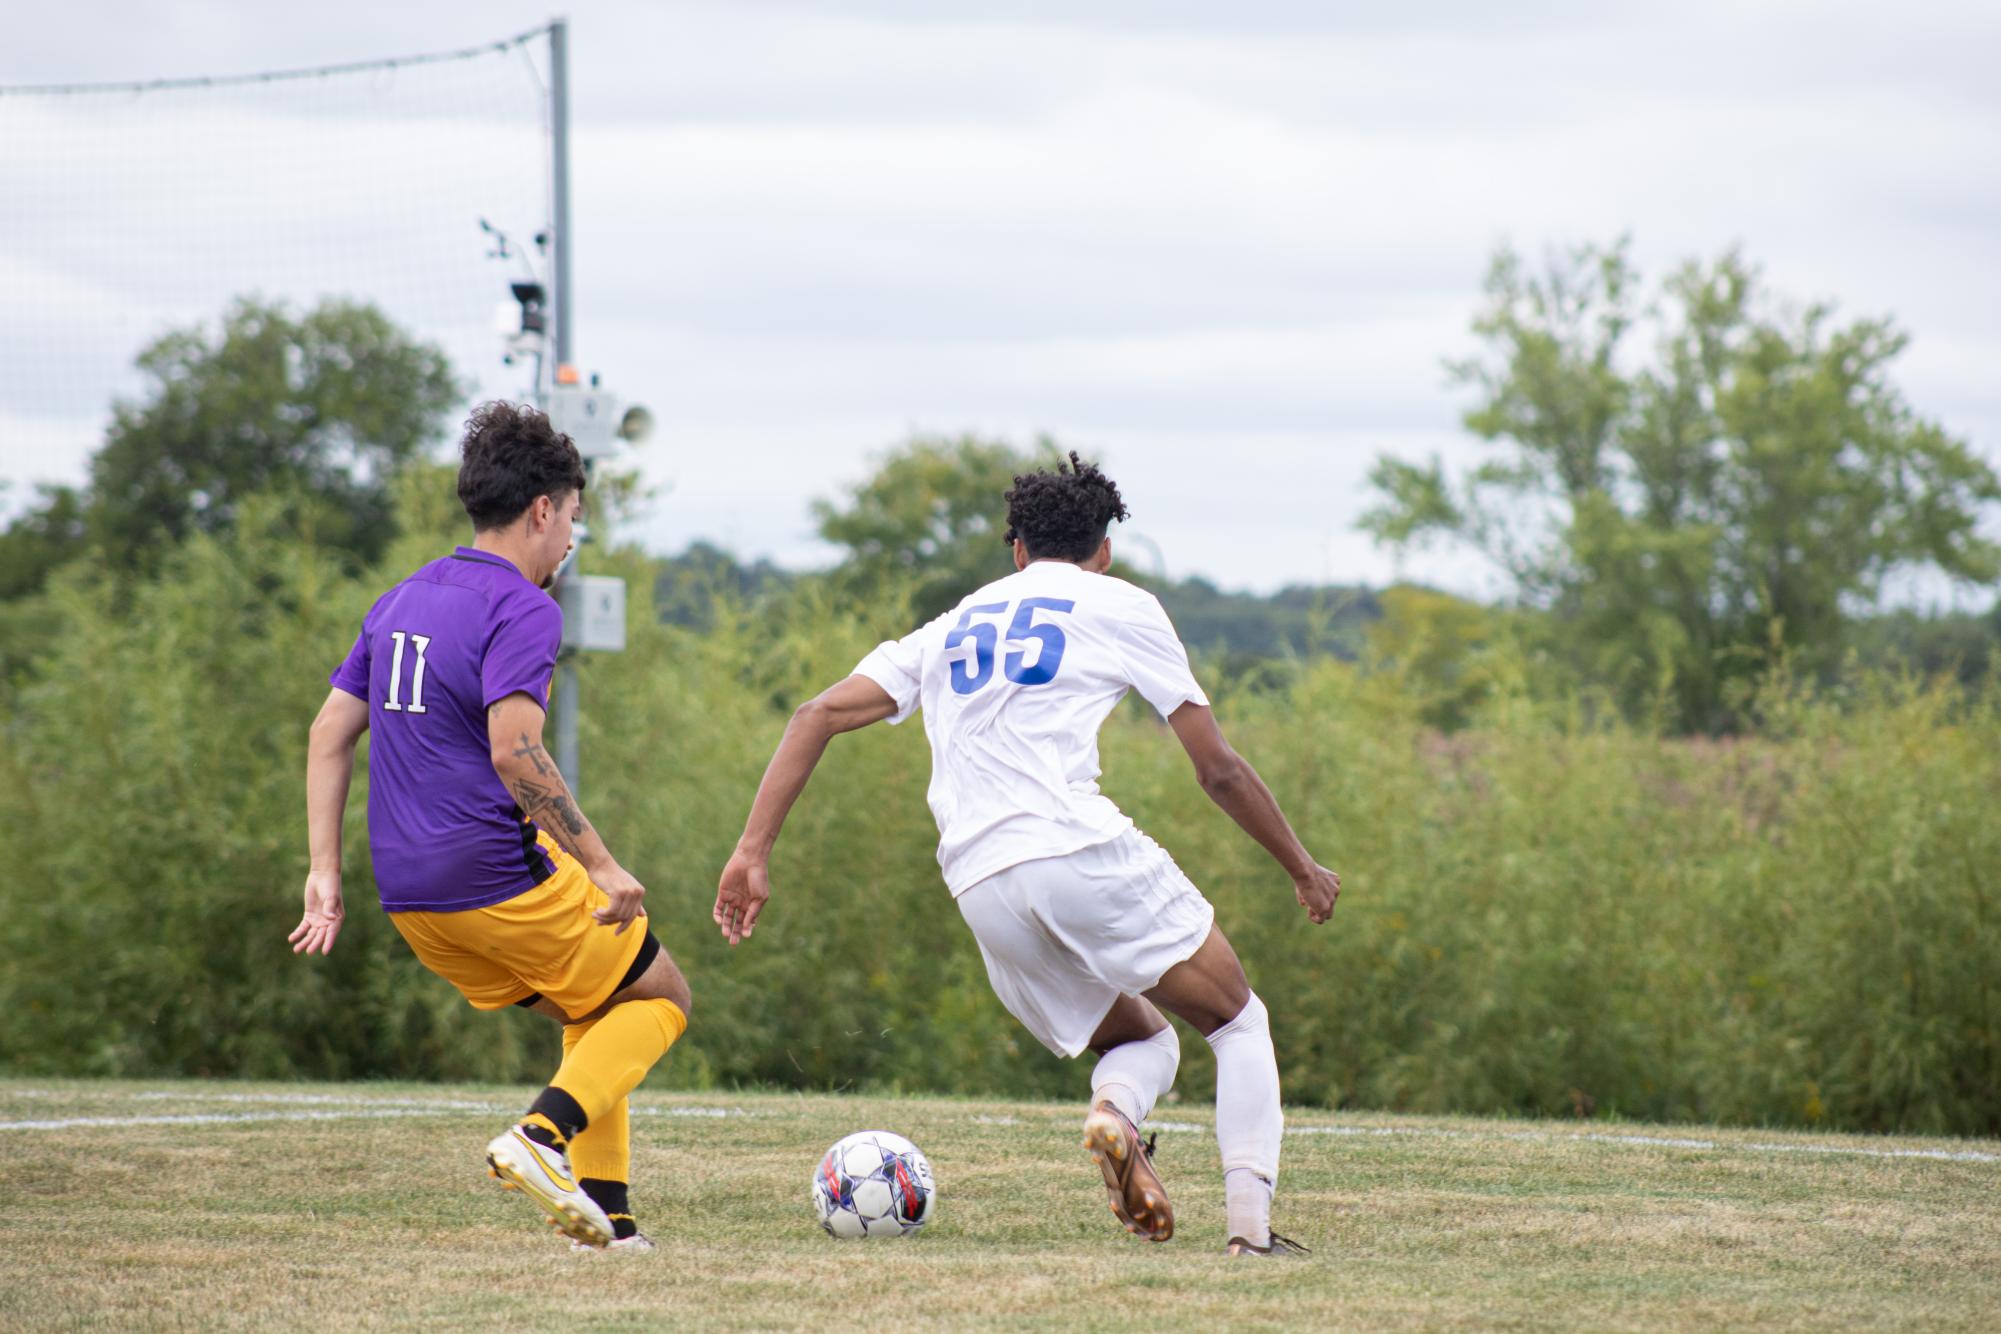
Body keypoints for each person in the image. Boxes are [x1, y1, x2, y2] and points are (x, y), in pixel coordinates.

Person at [713, 452, 1339, 1256]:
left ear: (1015, 549)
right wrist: (1299, 866)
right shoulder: (1121, 604)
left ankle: (1117, 1117)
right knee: (1236, 1020)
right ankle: (1251, 1237)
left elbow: (814, 714)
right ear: (1102, 550)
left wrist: (751, 852)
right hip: (1074, 848)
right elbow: (1215, 767)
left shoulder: (954, 624)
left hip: (978, 882)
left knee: (1143, 1039)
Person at [290, 401, 690, 1253]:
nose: (574, 540)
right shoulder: (525, 608)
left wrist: (323, 872)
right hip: (493, 877)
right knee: (660, 998)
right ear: (542, 509)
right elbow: (517, 754)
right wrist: (607, 865)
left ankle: (613, 1223)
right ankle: (539, 1139)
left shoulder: (400, 598)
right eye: (574, 518)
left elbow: (329, 734)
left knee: (597, 1006)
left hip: (409, 897)